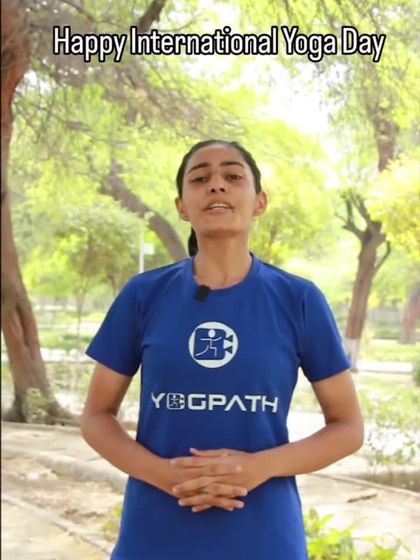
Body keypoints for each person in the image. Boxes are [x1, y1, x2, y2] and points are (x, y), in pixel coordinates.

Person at [82, 139, 364, 560]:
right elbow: (96, 416)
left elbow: (348, 428)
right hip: (156, 532)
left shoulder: (298, 299)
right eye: (200, 178)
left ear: (259, 202)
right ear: (182, 206)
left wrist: (259, 466)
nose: (217, 185)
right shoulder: (144, 295)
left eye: (233, 176)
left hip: (264, 536)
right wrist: (164, 474)